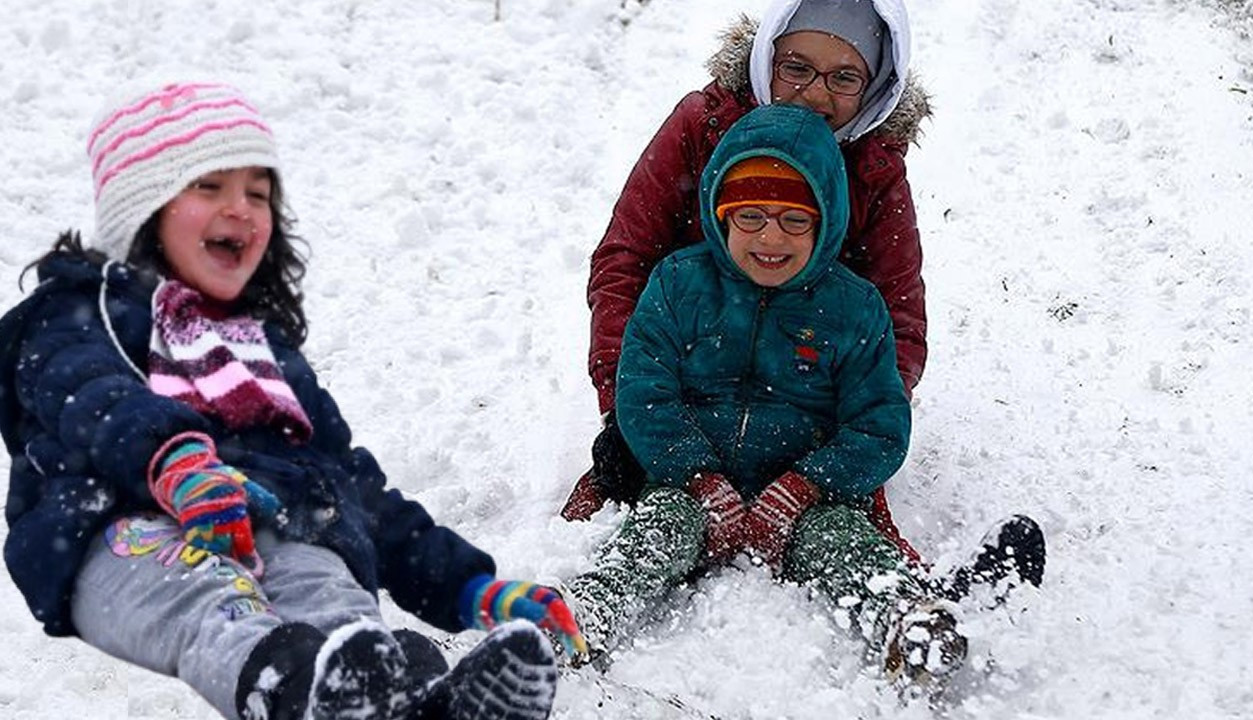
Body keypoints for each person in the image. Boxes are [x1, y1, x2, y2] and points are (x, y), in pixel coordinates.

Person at [0, 80, 585, 720]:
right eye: (209, 186)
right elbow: (92, 396)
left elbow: (351, 488)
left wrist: (473, 586)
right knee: (210, 602)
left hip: (276, 527)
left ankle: (413, 700)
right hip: (121, 522)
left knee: (345, 618)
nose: (242, 208)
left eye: (258, 192)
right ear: (144, 203)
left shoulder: (262, 350)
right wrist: (177, 462)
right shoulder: (82, 311)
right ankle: (309, 698)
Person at [561, 103, 1041, 693]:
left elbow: (879, 423)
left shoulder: (853, 308)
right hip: (690, 486)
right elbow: (646, 393)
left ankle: (907, 623)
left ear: (826, 222)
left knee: (843, 541)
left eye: (794, 220)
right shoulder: (678, 285)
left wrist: (806, 486)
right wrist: (694, 476)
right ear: (720, 214)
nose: (770, 238)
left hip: (804, 494)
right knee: (658, 529)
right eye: (752, 217)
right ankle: (581, 617)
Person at [563, 0, 930, 563]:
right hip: (694, 371)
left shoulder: (874, 165)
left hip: (806, 386)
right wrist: (625, 405)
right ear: (767, 58)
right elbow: (625, 260)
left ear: (876, 86)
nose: (815, 93)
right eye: (797, 67)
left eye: (845, 76)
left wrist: (849, 448)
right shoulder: (704, 127)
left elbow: (897, 315)